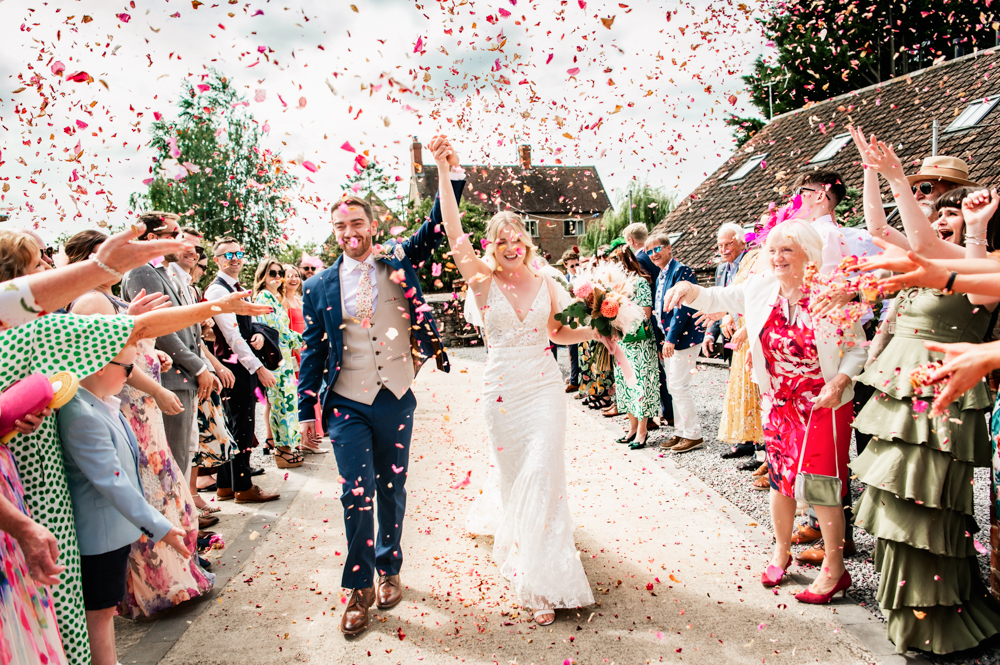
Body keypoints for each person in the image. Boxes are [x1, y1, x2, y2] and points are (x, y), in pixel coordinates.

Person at [0, 236, 268, 664]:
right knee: (54, 613)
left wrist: (212, 308)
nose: (49, 267)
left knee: (61, 616)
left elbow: (135, 329)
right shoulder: (41, 330)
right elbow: (137, 330)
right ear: (16, 283)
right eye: (38, 265)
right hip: (31, 494)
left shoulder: (45, 328)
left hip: (41, 489)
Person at [297, 137, 465, 637]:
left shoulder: (398, 259)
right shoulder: (318, 286)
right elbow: (313, 350)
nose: (349, 233)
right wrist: (305, 410)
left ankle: (390, 567)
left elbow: (437, 227)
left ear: (371, 226)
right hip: (346, 402)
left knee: (391, 487)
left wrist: (447, 172)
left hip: (394, 395)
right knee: (356, 492)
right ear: (334, 232)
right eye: (340, 226)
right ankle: (358, 587)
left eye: (357, 223)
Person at [433, 139, 596, 628]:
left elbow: (558, 332)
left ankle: (545, 578)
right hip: (502, 393)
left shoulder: (548, 283)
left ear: (527, 242)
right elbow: (452, 230)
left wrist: (598, 332)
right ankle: (528, 563)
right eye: (501, 240)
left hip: (544, 388)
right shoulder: (482, 282)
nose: (510, 247)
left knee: (543, 474)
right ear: (492, 245)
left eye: (517, 239)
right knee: (514, 480)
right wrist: (444, 171)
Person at [847, 141, 1000, 654]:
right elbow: (880, 230)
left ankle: (941, 623)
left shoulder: (984, 265)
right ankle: (909, 618)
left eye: (951, 210)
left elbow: (967, 284)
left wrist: (973, 228)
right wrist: (875, 173)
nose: (940, 217)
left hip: (943, 396)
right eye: (938, 211)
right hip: (901, 393)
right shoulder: (934, 254)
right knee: (895, 497)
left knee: (929, 505)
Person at [665, 220, 867, 603]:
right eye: (772, 250)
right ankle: (780, 552)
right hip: (778, 404)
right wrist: (690, 290)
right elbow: (717, 298)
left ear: (808, 253)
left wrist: (840, 381)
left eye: (786, 249)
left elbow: (858, 347)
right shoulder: (760, 289)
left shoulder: (829, 294)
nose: (777, 257)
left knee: (822, 487)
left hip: (823, 404)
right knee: (780, 481)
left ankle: (835, 569)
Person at [64, 230, 215, 618]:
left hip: (141, 406)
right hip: (130, 405)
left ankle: (178, 575)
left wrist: (153, 355)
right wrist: (158, 388)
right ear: (89, 259)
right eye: (109, 254)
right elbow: (106, 359)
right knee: (149, 491)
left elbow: (131, 343)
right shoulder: (91, 300)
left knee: (163, 489)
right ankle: (158, 587)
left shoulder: (108, 296)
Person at [57, 344, 192, 665]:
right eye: (128, 369)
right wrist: (161, 527)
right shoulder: (81, 416)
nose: (131, 376)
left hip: (112, 531)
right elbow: (113, 484)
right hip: (99, 536)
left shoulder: (96, 403)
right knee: (100, 612)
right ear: (100, 366)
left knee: (105, 607)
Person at [122, 212, 217, 478]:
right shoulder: (142, 271)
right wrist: (199, 367)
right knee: (172, 462)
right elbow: (160, 329)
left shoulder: (162, 272)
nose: (181, 242)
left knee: (183, 455)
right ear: (152, 238)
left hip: (180, 376)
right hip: (170, 376)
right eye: (174, 235)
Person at [0, 222, 186, 332]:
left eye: (47, 253)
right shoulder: (91, 300)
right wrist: (100, 268)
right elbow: (82, 344)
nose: (48, 262)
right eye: (38, 262)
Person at [205, 238, 280, 504]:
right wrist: (259, 369)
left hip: (239, 363)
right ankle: (243, 487)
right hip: (233, 367)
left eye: (238, 253)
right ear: (217, 260)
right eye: (227, 255)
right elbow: (232, 336)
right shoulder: (218, 290)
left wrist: (258, 333)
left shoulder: (237, 288)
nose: (235, 258)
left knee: (234, 424)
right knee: (242, 427)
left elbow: (248, 326)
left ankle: (226, 485)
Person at [709, 225, 765, 471]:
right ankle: (747, 441)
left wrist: (748, 326)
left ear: (743, 242)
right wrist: (712, 332)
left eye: (728, 244)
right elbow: (722, 303)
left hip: (751, 336)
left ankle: (762, 451)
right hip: (733, 337)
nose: (723, 249)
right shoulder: (722, 269)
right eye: (720, 245)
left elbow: (757, 300)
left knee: (755, 391)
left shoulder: (755, 262)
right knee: (741, 392)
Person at [652, 237, 705, 453]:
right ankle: (681, 431)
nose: (653, 254)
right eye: (649, 251)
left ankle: (693, 434)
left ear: (668, 248)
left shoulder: (681, 270)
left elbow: (682, 308)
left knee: (679, 385)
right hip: (670, 338)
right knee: (673, 386)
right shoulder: (661, 274)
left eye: (657, 249)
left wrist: (671, 339)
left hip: (683, 337)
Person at [252, 258, 307, 468]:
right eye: (272, 273)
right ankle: (282, 452)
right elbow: (277, 331)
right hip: (275, 361)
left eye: (279, 273)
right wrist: (305, 340)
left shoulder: (274, 297)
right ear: (263, 276)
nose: (277, 277)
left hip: (283, 359)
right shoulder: (264, 297)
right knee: (281, 405)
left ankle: (286, 448)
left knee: (287, 403)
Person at [610, 246, 659, 450]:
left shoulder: (640, 282)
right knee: (625, 384)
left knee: (641, 384)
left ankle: (642, 430)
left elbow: (646, 313)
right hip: (621, 341)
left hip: (639, 341)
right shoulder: (614, 286)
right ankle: (631, 428)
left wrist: (623, 317)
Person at [624, 223, 672, 427]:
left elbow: (645, 293)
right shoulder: (649, 255)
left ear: (631, 241)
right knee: (657, 368)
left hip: (649, 317)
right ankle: (665, 411)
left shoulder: (640, 259)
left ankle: (662, 412)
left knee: (652, 369)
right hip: (657, 313)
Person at [560, 249, 582, 392]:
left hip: (583, 316)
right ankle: (574, 379)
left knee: (585, 350)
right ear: (565, 265)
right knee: (572, 349)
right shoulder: (563, 280)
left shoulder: (584, 277)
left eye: (577, 265)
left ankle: (583, 379)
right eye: (572, 266)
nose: (575, 268)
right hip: (571, 316)